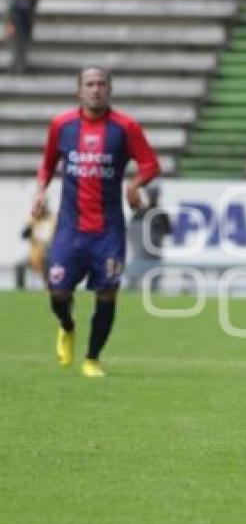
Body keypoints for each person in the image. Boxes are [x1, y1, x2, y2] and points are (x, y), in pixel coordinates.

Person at [32, 66, 160, 378]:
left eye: (102, 84)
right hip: (69, 230)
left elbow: (151, 164)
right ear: (79, 91)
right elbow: (47, 163)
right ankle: (67, 326)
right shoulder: (61, 126)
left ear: (110, 89)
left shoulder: (125, 127)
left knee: (106, 294)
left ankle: (92, 359)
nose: (96, 89)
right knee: (58, 292)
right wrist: (40, 192)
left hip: (108, 231)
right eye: (89, 84)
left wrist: (134, 186)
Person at [126, 183, 171, 292]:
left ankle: (152, 289)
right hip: (141, 249)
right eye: (151, 193)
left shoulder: (160, 214)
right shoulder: (141, 213)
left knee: (154, 271)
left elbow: (167, 230)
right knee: (138, 269)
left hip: (154, 249)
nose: (153, 196)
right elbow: (132, 231)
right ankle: (133, 287)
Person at [4, 0, 39, 74]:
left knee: (23, 46)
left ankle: (21, 67)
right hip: (16, 22)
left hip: (25, 22)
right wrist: (9, 23)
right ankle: (16, 68)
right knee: (16, 46)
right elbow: (10, 9)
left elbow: (33, 2)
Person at [20, 197, 56, 284]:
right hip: (34, 254)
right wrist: (31, 222)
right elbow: (23, 235)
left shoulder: (53, 219)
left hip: (50, 253)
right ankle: (21, 290)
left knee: (46, 259)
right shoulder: (33, 220)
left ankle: (49, 285)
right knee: (20, 266)